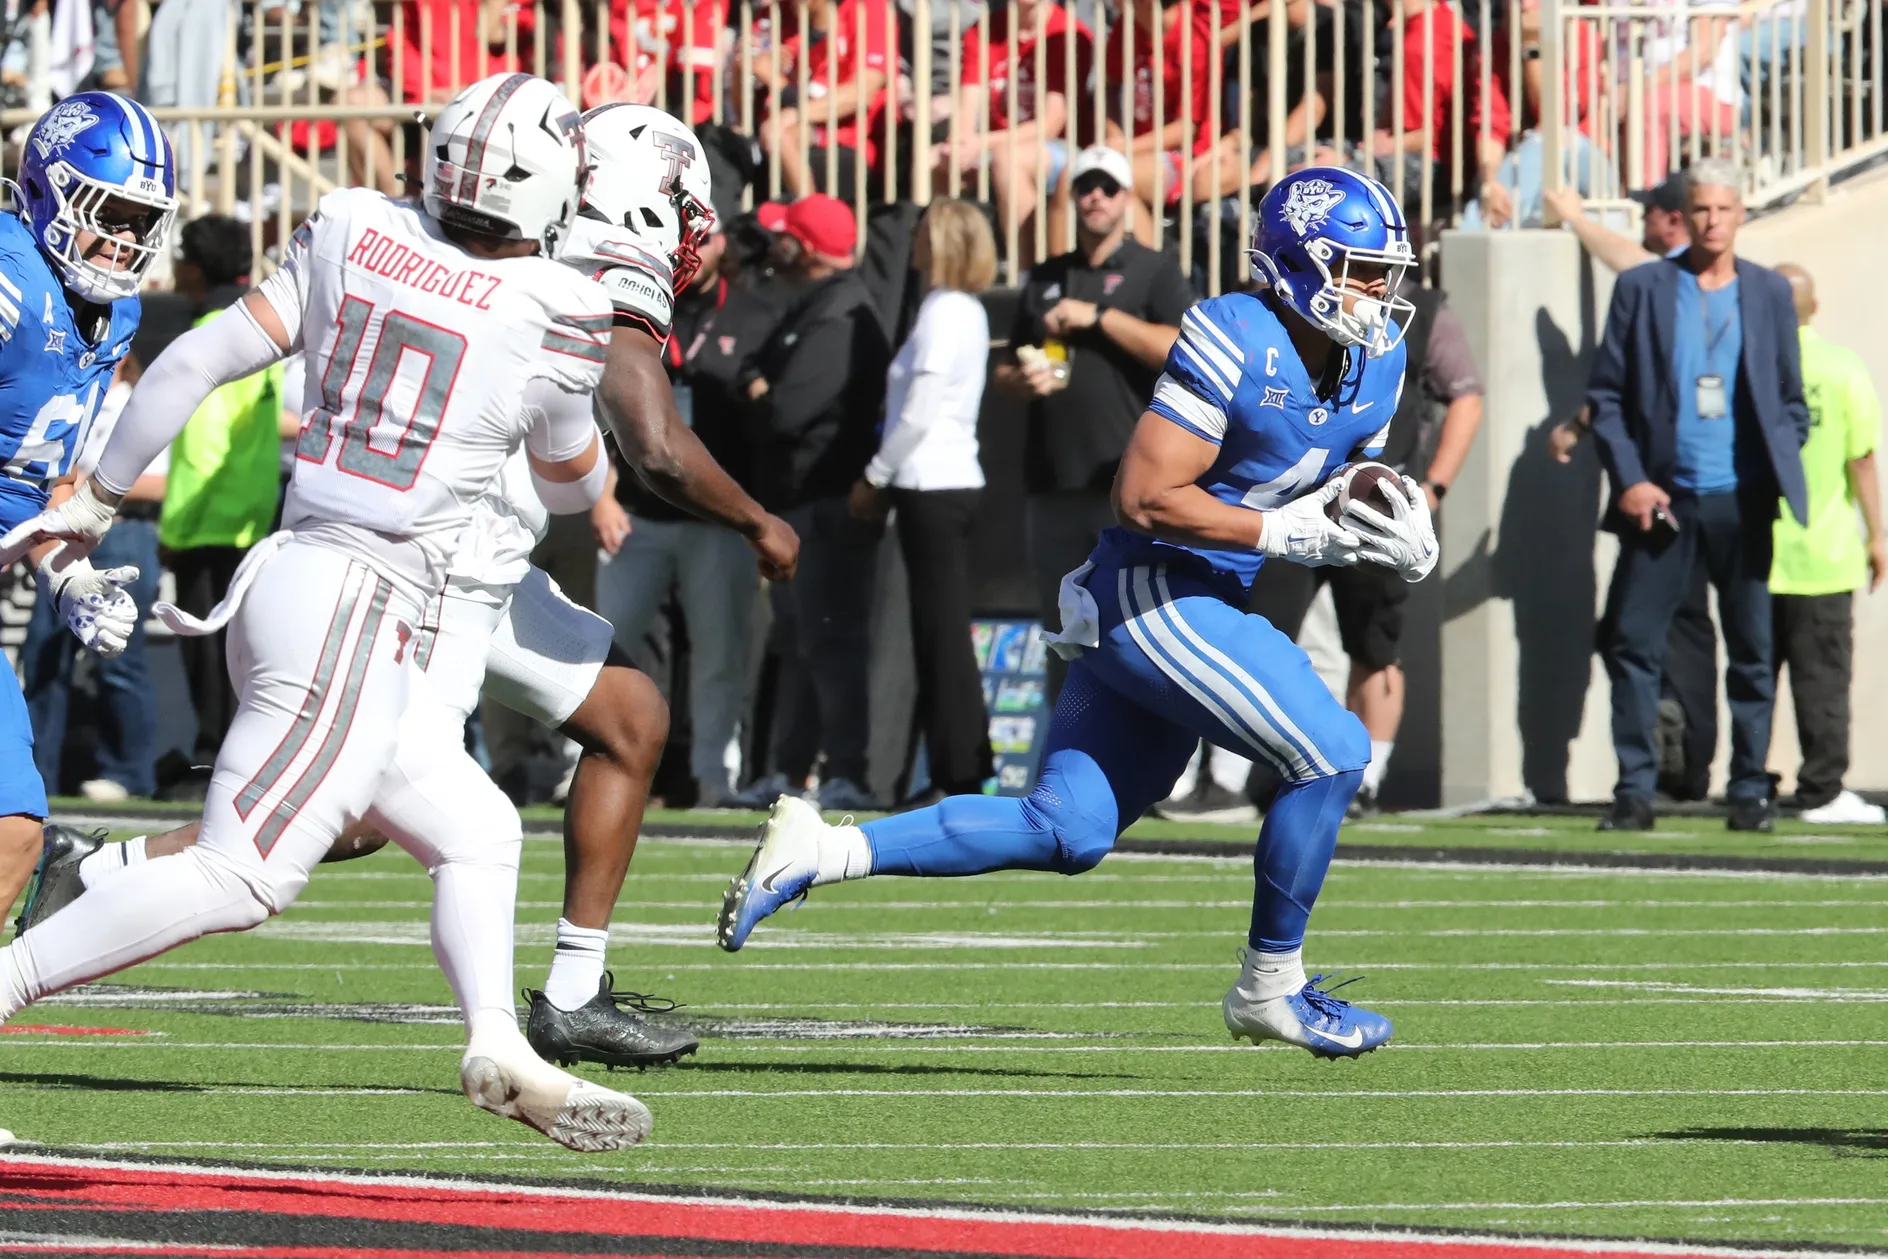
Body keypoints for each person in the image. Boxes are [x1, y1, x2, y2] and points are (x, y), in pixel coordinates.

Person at [20, 103, 800, 1076]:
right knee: (265, 859)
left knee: (509, 797)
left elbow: (200, 359)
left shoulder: (359, 221)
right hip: (417, 582)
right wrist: (744, 512)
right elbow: (608, 466)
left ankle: (522, 1032)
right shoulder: (560, 295)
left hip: (327, 561)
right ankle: (63, 914)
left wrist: (92, 502)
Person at [717, 167, 1440, 1061]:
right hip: (1155, 588)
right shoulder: (1235, 333)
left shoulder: (1381, 358)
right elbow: (1140, 496)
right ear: (1298, 262)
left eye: (1385, 271)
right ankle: (1272, 985)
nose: (1380, 291)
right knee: (1331, 750)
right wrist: (1280, 529)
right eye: (1361, 269)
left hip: (1200, 596)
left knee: (1068, 827)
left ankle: (818, 851)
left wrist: (1392, 508)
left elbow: (1347, 472)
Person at [1586, 159, 1808, 834]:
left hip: (1743, 502)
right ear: (1683, 216)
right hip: (1663, 503)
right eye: (1700, 210)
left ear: (1743, 214)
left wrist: (1777, 459)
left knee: (1752, 649)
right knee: (1633, 643)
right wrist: (1632, 479)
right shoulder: (1643, 288)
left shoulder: (1769, 292)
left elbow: (1793, 405)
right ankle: (1634, 788)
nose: (1712, 221)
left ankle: (1748, 790)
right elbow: (1606, 398)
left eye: (1723, 209)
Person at [0, 93, 162, 917]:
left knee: (15, 833)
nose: (127, 240)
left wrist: (69, 579)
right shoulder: (9, 281)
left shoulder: (113, 312)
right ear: (48, 194)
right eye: (111, 214)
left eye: (143, 221)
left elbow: (43, 486)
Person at [1244, 271, 1484, 817]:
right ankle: (1247, 773)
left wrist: (1432, 489)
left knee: (1374, 644)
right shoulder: (1267, 309)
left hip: (1371, 503)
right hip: (1290, 498)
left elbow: (1466, 396)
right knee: (1259, 634)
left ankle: (1366, 781)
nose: (1375, 282)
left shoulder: (1418, 312)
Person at [995, 145, 1193, 704]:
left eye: (1108, 187)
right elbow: (1008, 365)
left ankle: (1155, 778)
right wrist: (1020, 380)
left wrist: (1101, 319)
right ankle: (1070, 774)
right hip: (1053, 482)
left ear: (1128, 198)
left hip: (1128, 485)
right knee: (1065, 635)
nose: (1095, 198)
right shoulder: (1047, 275)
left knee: (1140, 632)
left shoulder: (1154, 268)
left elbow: (1185, 348)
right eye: (1085, 187)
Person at [592, 216, 775, 808]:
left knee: (719, 655)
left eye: (708, 238)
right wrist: (602, 492)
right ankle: (582, 761)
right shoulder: (634, 299)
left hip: (713, 521)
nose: (696, 249)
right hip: (638, 512)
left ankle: (716, 779)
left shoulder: (752, 313)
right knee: (600, 642)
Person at [735, 194, 888, 812]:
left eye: (787, 236)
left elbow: (787, 408)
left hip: (827, 503)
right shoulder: (815, 304)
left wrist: (759, 389)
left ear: (805, 245)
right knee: (801, 641)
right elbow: (755, 375)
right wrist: (758, 384)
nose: (777, 248)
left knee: (831, 641)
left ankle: (846, 770)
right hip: (801, 501)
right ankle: (792, 769)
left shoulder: (842, 311)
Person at [849, 199, 999, 806]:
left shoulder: (943, 312)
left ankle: (959, 772)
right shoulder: (963, 311)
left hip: (929, 483)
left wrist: (875, 476)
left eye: (923, 235)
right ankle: (958, 766)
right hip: (946, 480)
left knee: (939, 635)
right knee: (938, 632)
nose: (912, 244)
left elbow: (918, 412)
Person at [159, 215, 286, 791]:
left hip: (209, 521)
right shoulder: (256, 329)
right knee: (236, 655)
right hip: (249, 514)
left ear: (197, 265)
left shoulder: (210, 330)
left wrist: (179, 525)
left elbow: (206, 443)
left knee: (207, 656)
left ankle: (212, 763)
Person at [1766, 264, 1885, 825]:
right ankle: (1821, 789)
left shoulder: (1749, 366)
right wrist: (1878, 533)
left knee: (1752, 677)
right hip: (1824, 551)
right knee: (1823, 679)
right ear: (1816, 307)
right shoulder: (1841, 368)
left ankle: (1749, 782)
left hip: (1757, 549)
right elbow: (1860, 456)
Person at [20, 348, 164, 803]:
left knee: (119, 661)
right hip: (55, 537)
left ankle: (130, 775)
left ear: (120, 359)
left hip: (120, 533)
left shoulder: (140, 403)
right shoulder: (66, 401)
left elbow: (160, 483)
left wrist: (85, 490)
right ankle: (35, 778)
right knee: (43, 657)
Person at [753, 0, 894, 197]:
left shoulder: (867, 7)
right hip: (805, 134)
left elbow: (863, 91)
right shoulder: (790, 24)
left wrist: (793, 108)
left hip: (851, 142)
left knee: (776, 133)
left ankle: (811, 217)